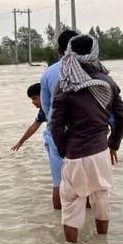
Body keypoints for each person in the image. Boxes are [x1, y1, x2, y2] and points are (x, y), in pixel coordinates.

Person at [51, 34, 123, 243]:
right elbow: (122, 116)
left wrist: (63, 149)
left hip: (75, 153)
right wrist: (113, 145)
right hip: (100, 151)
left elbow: (55, 124)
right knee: (101, 197)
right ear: (95, 52)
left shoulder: (65, 84)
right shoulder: (107, 82)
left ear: (69, 52)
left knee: (71, 204)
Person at [39, 29, 78, 209]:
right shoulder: (92, 70)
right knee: (89, 187)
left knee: (59, 183)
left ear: (58, 50)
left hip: (57, 133)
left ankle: (57, 227)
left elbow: (46, 108)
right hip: (86, 135)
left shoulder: (49, 73)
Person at [11, 83, 46, 152]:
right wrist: (21, 142)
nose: (33, 102)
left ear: (43, 95)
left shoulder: (55, 106)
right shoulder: (43, 110)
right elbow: (34, 127)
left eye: (34, 98)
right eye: (31, 99)